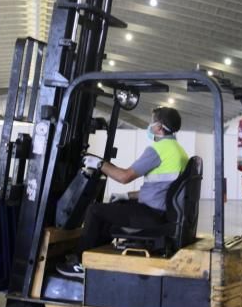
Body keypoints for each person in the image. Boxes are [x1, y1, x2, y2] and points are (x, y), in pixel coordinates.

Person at [57, 106, 187, 278]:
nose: (150, 126)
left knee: (95, 210)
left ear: (159, 127)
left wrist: (99, 164)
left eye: (152, 122)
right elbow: (161, 190)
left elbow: (124, 177)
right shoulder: (179, 151)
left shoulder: (158, 150)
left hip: (152, 215)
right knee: (114, 208)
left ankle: (81, 263)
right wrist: (126, 196)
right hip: (162, 212)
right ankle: (96, 255)